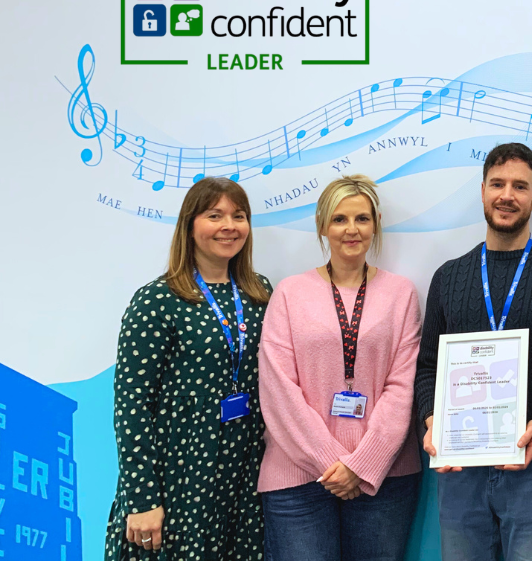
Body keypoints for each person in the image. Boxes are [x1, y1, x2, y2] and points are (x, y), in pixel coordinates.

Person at [414, 142, 532, 561]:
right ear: (482, 191)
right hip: (459, 474)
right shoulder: (448, 278)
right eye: (497, 184)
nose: (506, 195)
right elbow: (427, 367)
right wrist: (431, 420)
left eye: (519, 186)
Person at [105, 177, 273, 560]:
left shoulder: (260, 293)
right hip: (177, 475)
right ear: (189, 225)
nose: (229, 225)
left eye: (239, 215)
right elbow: (131, 405)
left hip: (241, 476)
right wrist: (143, 498)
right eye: (215, 215)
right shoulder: (157, 300)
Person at [258, 175, 423, 560]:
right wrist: (333, 463)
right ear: (322, 226)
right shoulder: (288, 292)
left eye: (362, 219)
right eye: (339, 219)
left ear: (376, 223)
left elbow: (403, 387)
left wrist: (363, 465)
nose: (352, 230)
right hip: (297, 477)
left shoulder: (401, 293)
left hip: (384, 476)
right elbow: (278, 388)